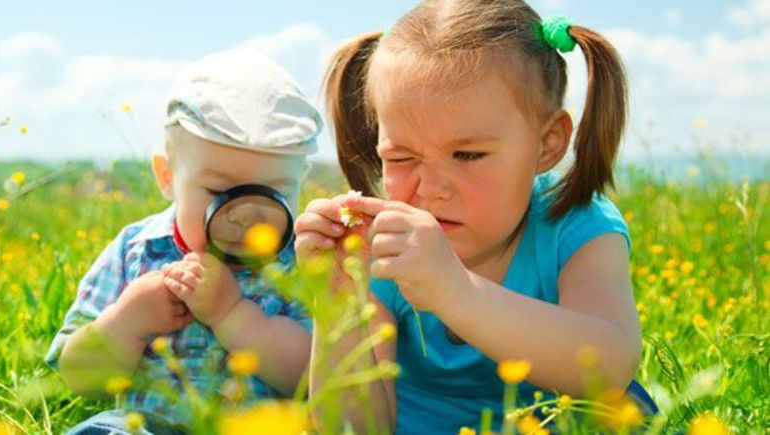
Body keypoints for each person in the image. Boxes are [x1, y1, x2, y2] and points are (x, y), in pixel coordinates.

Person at [295, 0, 656, 432]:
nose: (430, 189)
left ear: (547, 144)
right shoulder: (382, 247)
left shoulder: (577, 224)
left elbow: (611, 366)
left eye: (467, 155)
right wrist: (336, 302)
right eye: (401, 157)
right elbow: (353, 427)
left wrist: (454, 291)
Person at [46, 49, 322, 434]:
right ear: (166, 176)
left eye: (273, 192)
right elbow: (78, 376)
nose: (245, 213)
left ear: (300, 181)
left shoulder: (302, 262)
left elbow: (314, 380)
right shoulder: (138, 250)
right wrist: (128, 319)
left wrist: (233, 315)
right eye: (219, 190)